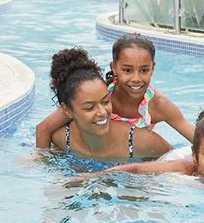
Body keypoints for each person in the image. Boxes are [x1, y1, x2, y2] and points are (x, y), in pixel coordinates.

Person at [36, 33, 195, 148]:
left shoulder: (158, 105)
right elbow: (43, 128)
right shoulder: (100, 96)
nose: (136, 78)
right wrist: (44, 161)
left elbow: (198, 140)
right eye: (127, 70)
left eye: (144, 70)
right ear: (114, 67)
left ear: (153, 68)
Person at [45, 47, 173, 161]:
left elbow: (180, 160)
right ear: (67, 110)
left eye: (106, 101)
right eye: (90, 107)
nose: (102, 112)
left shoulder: (142, 141)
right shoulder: (61, 139)